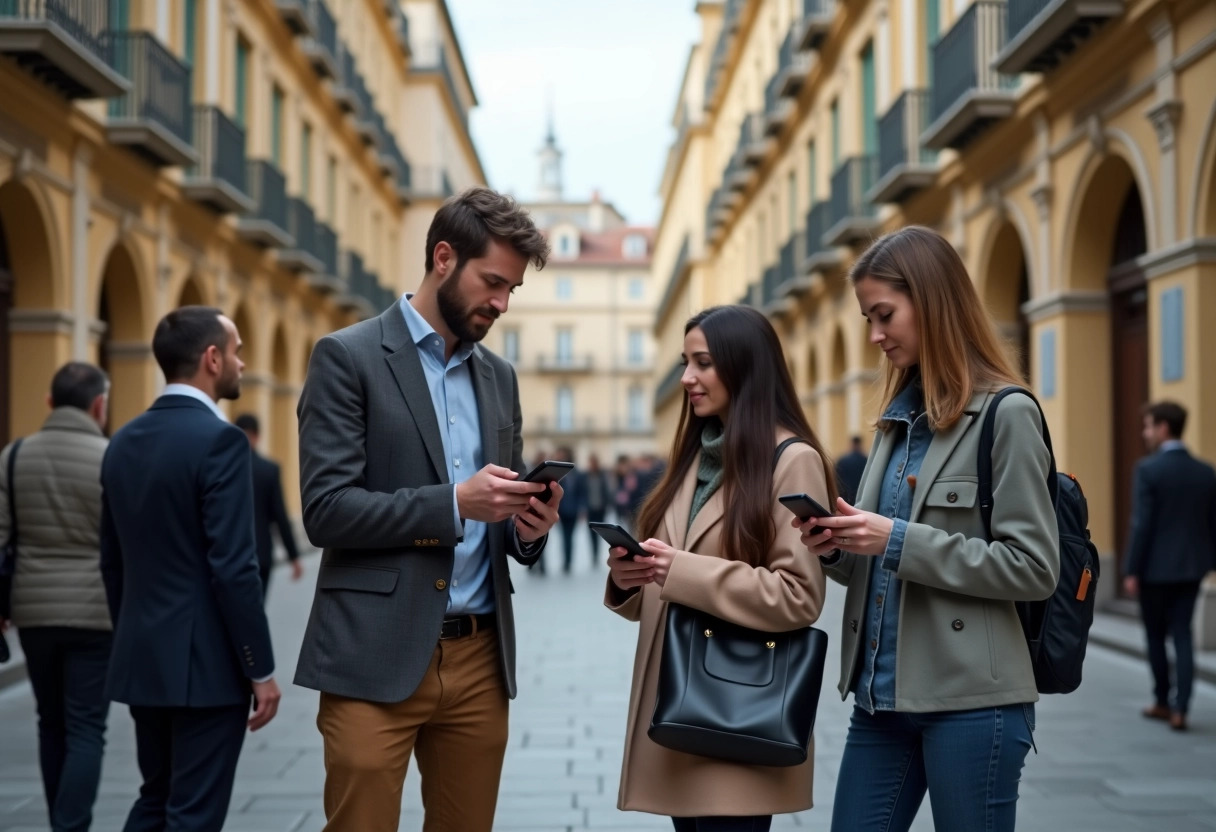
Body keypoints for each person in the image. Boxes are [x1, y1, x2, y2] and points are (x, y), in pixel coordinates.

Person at [294, 187, 562, 832]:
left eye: (511, 291)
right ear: (444, 257)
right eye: (492, 282)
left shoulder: (500, 377)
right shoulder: (348, 357)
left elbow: (497, 515)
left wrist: (528, 528)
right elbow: (326, 511)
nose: (500, 303)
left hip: (479, 660)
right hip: (373, 654)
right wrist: (454, 502)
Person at [794, 226, 1059, 832]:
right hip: (880, 700)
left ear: (932, 300)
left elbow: (1034, 568)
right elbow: (877, 564)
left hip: (972, 704)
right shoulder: (893, 425)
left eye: (884, 314)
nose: (875, 335)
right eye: (867, 318)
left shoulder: (1006, 414)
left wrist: (894, 538)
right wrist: (836, 547)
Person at [605, 305, 832, 832]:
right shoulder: (695, 455)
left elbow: (799, 595)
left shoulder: (792, 459)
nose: (687, 378)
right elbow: (667, 570)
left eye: (702, 363)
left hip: (739, 707)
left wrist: (678, 570)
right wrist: (627, 578)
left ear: (744, 366)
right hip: (680, 704)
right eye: (686, 361)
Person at [100, 306, 280, 831]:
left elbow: (112, 560)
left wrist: (132, 632)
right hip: (206, 669)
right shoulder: (221, 441)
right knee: (193, 813)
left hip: (143, 656)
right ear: (211, 358)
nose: (242, 364)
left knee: (155, 799)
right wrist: (259, 668)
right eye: (238, 351)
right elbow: (233, 567)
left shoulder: (121, 442)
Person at [0, 362, 111, 832]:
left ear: (49, 402)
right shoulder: (112, 458)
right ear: (99, 406)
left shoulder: (13, 456)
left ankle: (58, 820)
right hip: (95, 613)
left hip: (33, 610)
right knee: (87, 726)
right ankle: (72, 826)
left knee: (51, 721)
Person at [1122, 401, 1216, 732]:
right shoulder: (1206, 472)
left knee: (1155, 635)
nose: (1145, 434)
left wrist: (1131, 569)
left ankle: (1162, 701)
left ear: (1163, 428)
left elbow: (1141, 524)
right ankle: (1182, 708)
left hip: (1154, 571)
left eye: (1148, 427)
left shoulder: (1148, 470)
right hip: (1192, 569)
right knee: (1183, 635)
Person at [233, 413, 304, 601]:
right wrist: (293, 556)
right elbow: (280, 515)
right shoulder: (269, 470)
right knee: (257, 607)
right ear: (257, 436)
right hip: (261, 554)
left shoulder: (224, 469)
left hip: (231, 553)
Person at [553, 446, 586, 574]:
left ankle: (568, 561)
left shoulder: (577, 473)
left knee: (570, 537)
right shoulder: (557, 473)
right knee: (563, 537)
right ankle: (565, 561)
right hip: (560, 510)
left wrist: (582, 508)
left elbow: (582, 492)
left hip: (574, 510)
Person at [583, 453, 610, 564]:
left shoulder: (602, 475)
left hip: (600, 508)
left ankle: (597, 554)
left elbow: (607, 492)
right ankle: (593, 554)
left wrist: (607, 505)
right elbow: (583, 493)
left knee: (599, 532)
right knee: (591, 533)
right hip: (590, 509)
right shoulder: (585, 476)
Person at [835, 435, 867, 503]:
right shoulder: (866, 460)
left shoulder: (843, 460)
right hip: (861, 495)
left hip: (846, 495)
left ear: (852, 444)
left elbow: (837, 479)